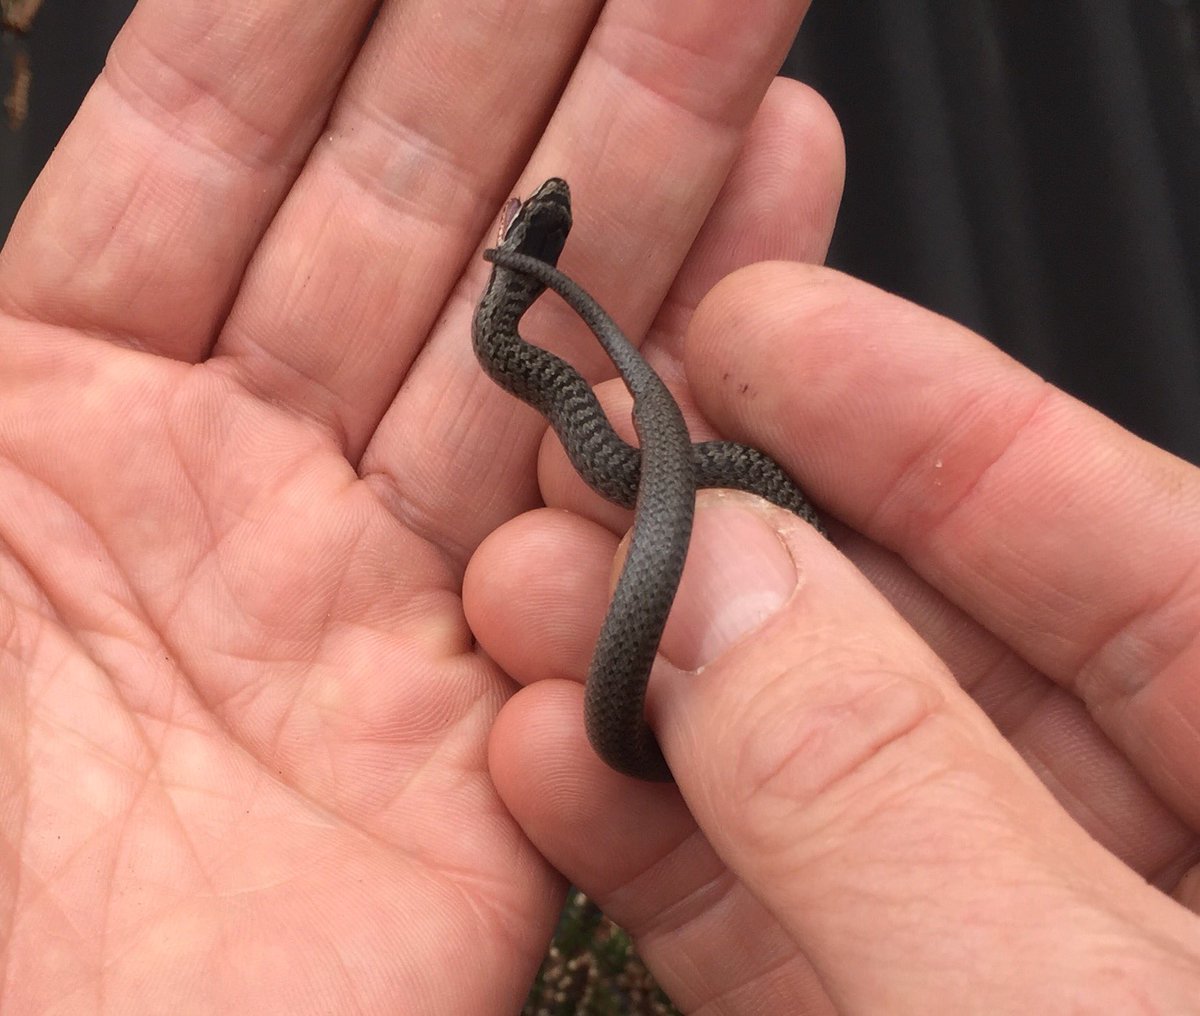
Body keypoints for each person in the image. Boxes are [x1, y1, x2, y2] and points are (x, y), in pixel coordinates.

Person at [1, 1, 1198, 1012]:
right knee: (636, 470)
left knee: (646, 472)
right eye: (532, 235)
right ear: (522, 254)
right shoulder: (521, 356)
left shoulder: (531, 360)